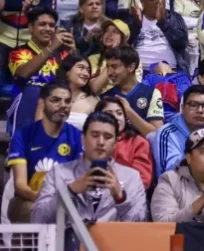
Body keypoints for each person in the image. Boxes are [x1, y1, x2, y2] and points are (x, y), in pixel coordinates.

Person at [32, 111, 148, 224]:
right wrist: (70, 191)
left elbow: (140, 227)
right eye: (95, 135)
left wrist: (121, 198)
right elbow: (38, 219)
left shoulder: (132, 177)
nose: (101, 142)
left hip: (113, 242)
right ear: (83, 138)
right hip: (70, 242)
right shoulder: (58, 173)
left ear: (115, 143)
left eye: (107, 137)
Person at [6, 82, 83, 222]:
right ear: (41, 103)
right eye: (55, 100)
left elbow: (80, 178)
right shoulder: (23, 136)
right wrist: (49, 204)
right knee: (32, 210)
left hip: (67, 201)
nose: (63, 105)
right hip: (29, 199)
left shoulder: (78, 136)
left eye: (67, 101)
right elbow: (20, 185)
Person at [8, 7, 74, 133]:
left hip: (57, 109)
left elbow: (76, 82)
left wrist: (73, 52)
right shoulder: (18, 52)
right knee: (33, 90)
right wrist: (51, 47)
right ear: (31, 27)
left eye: (51, 25)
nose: (48, 29)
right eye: (42, 24)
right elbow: (23, 73)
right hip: (26, 107)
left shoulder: (63, 55)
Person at [152, 85, 204, 177]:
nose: (200, 110)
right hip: (177, 189)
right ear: (182, 108)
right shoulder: (167, 133)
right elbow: (168, 175)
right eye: (193, 105)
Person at [101, 45, 165, 135]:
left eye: (114, 67)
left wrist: (129, 112)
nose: (109, 72)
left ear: (131, 67)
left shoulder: (151, 93)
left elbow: (157, 135)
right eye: (108, 67)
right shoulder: (105, 97)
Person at [94, 96, 153, 190]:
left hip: (129, 197)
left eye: (119, 113)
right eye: (109, 113)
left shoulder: (139, 142)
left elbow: (143, 180)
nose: (116, 117)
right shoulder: (91, 140)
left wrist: (117, 189)